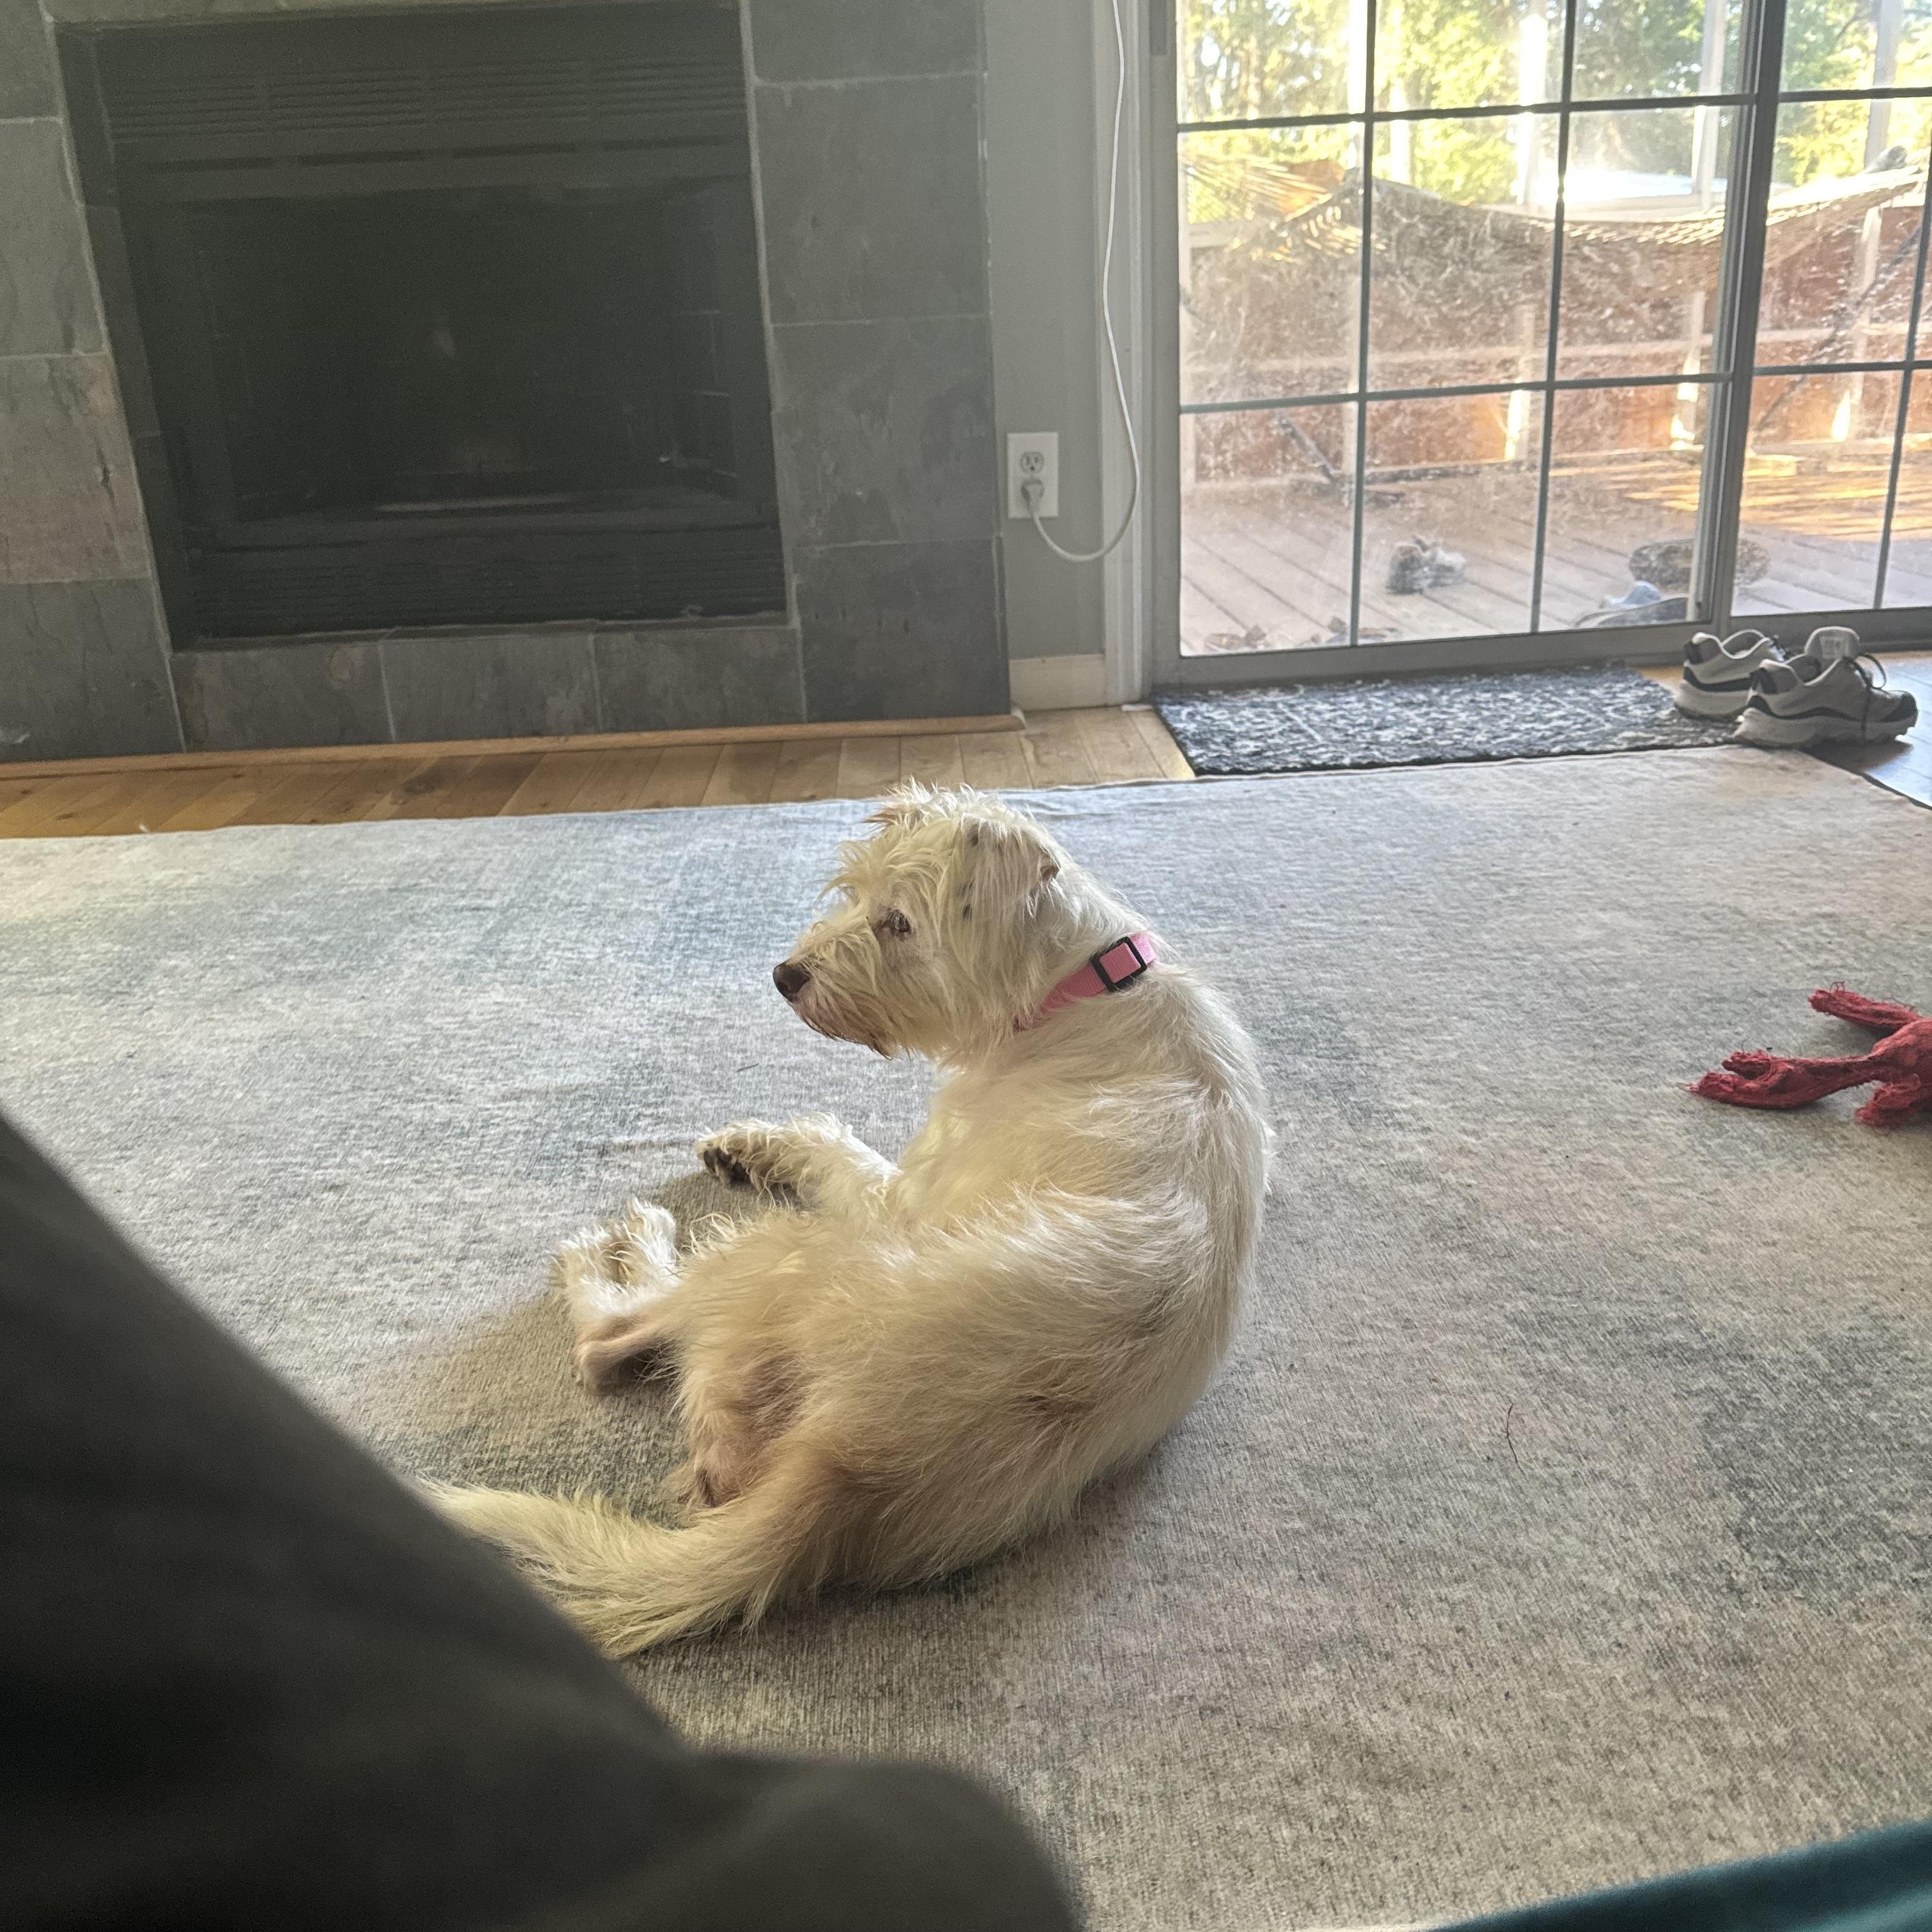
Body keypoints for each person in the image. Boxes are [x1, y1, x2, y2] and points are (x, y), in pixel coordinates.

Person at [4, 1108, 1929, 1930]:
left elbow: (911, 1222)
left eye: (881, 928)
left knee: (821, 1253)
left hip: (799, 1867)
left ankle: (641, 1312)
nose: (831, 959)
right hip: (904, 1614)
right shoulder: (1163, 1079)